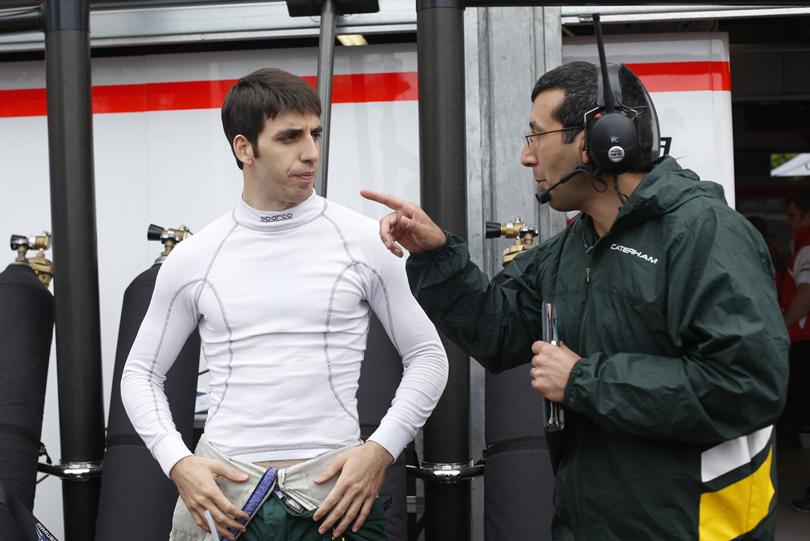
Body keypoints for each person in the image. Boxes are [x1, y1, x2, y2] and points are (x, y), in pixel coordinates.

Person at [362, 61, 788, 539]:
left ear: (599, 140)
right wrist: (436, 254)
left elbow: (746, 385)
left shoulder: (706, 235)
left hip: (696, 527)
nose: (527, 157)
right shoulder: (573, 248)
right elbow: (497, 329)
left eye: (536, 136)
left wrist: (582, 380)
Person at [121, 67, 448, 541]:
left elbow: (429, 357)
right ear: (244, 148)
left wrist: (380, 451)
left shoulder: (365, 240)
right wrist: (178, 462)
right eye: (290, 137)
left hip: (335, 500)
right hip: (224, 500)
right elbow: (139, 374)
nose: (311, 152)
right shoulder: (195, 256)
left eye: (315, 134)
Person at [779, 191, 810, 512]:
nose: (788, 223)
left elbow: (805, 295)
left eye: (792, 216)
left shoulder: (808, 247)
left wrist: (780, 327)